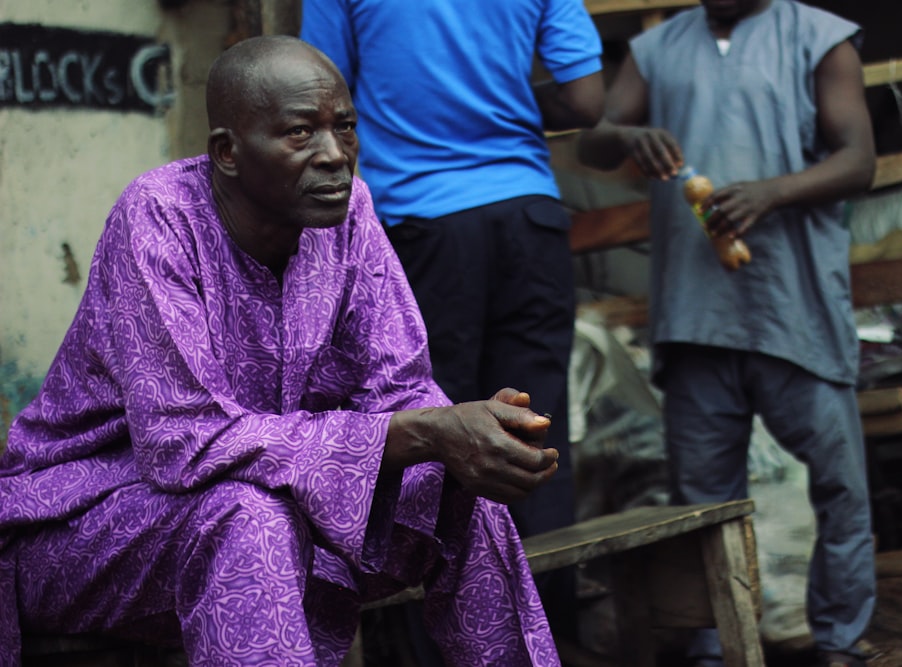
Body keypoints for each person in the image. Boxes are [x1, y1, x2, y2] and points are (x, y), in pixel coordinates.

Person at [0, 35, 566, 667]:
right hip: (82, 527)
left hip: (273, 501)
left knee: (459, 486)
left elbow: (401, 389)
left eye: (344, 128)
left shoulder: (347, 211)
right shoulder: (159, 216)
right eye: (301, 134)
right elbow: (181, 443)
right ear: (227, 153)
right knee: (248, 515)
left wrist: (472, 432)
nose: (334, 156)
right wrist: (418, 433)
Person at [576, 1, 877, 666]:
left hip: (791, 304)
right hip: (695, 313)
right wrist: (628, 138)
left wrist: (772, 193)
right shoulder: (657, 50)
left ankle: (840, 642)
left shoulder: (819, 39)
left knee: (839, 483)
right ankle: (712, 649)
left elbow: (859, 161)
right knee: (702, 502)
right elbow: (592, 140)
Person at [299, 0, 605, 645]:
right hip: (528, 215)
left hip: (421, 222)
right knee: (537, 434)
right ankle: (547, 643)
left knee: (427, 436)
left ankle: (423, 648)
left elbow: (313, 85)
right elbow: (585, 101)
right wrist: (502, 104)